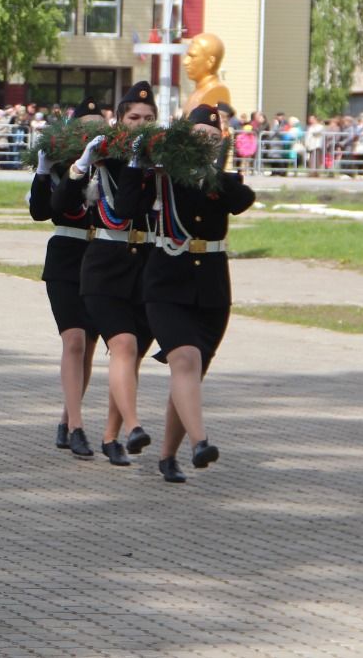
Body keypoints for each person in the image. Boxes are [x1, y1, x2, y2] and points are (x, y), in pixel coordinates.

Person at [135, 103, 257, 483]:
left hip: (212, 290)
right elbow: (131, 203)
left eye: (212, 137)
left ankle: (168, 455)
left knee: (190, 372)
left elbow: (242, 200)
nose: (205, 143)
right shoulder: (165, 178)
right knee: (184, 360)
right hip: (166, 284)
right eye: (197, 137)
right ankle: (199, 443)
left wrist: (215, 179)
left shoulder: (224, 183)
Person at [56, 81, 157, 463]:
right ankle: (130, 426)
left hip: (147, 266)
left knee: (133, 355)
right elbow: (125, 206)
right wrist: (83, 165)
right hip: (105, 265)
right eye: (134, 117)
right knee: (122, 346)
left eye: (149, 118)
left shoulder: (164, 158)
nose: (141, 124)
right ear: (119, 120)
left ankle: (112, 436)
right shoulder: (108, 156)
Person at [28, 98, 104, 461]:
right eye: (84, 128)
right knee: (73, 340)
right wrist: (43, 172)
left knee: (88, 347)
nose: (91, 134)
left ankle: (66, 419)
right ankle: (77, 428)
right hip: (65, 259)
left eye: (98, 127)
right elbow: (43, 211)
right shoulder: (63, 165)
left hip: (101, 260)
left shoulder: (110, 166)